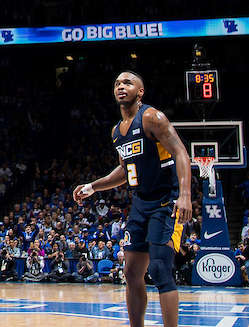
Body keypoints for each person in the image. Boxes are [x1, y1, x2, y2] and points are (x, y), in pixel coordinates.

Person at [74, 71, 192, 327]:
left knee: (159, 268)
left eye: (127, 83)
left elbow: (181, 153)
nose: (121, 86)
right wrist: (93, 187)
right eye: (117, 83)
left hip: (166, 200)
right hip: (141, 202)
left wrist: (185, 195)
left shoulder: (151, 117)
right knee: (130, 272)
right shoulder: (116, 131)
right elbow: (126, 171)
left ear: (140, 92)